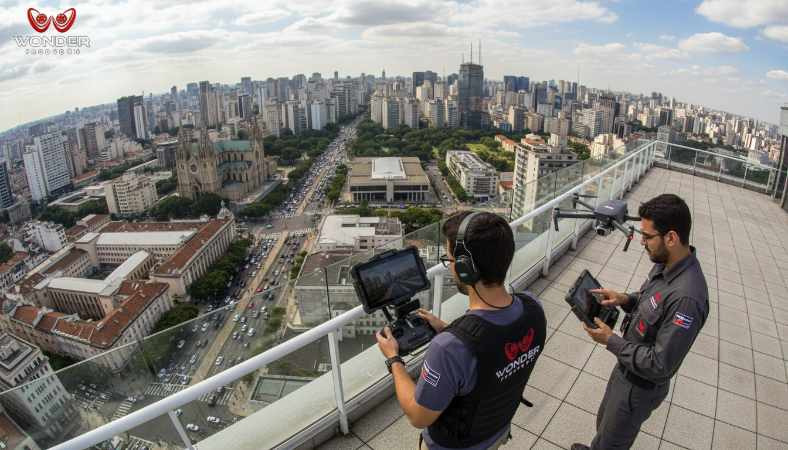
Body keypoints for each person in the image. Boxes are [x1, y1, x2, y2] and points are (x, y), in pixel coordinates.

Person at [376, 211, 547, 450]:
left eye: (450, 260)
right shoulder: (533, 308)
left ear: (466, 269)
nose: (450, 267)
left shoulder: (448, 349)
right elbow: (495, 352)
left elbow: (418, 416)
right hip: (497, 431)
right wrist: (452, 330)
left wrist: (393, 359)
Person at [573, 194, 709, 450]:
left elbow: (660, 364)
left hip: (638, 386)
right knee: (605, 422)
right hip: (627, 367)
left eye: (647, 237)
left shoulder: (687, 298)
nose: (642, 243)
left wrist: (611, 340)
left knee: (614, 441)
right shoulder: (667, 264)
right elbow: (651, 300)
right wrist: (625, 299)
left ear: (671, 238)